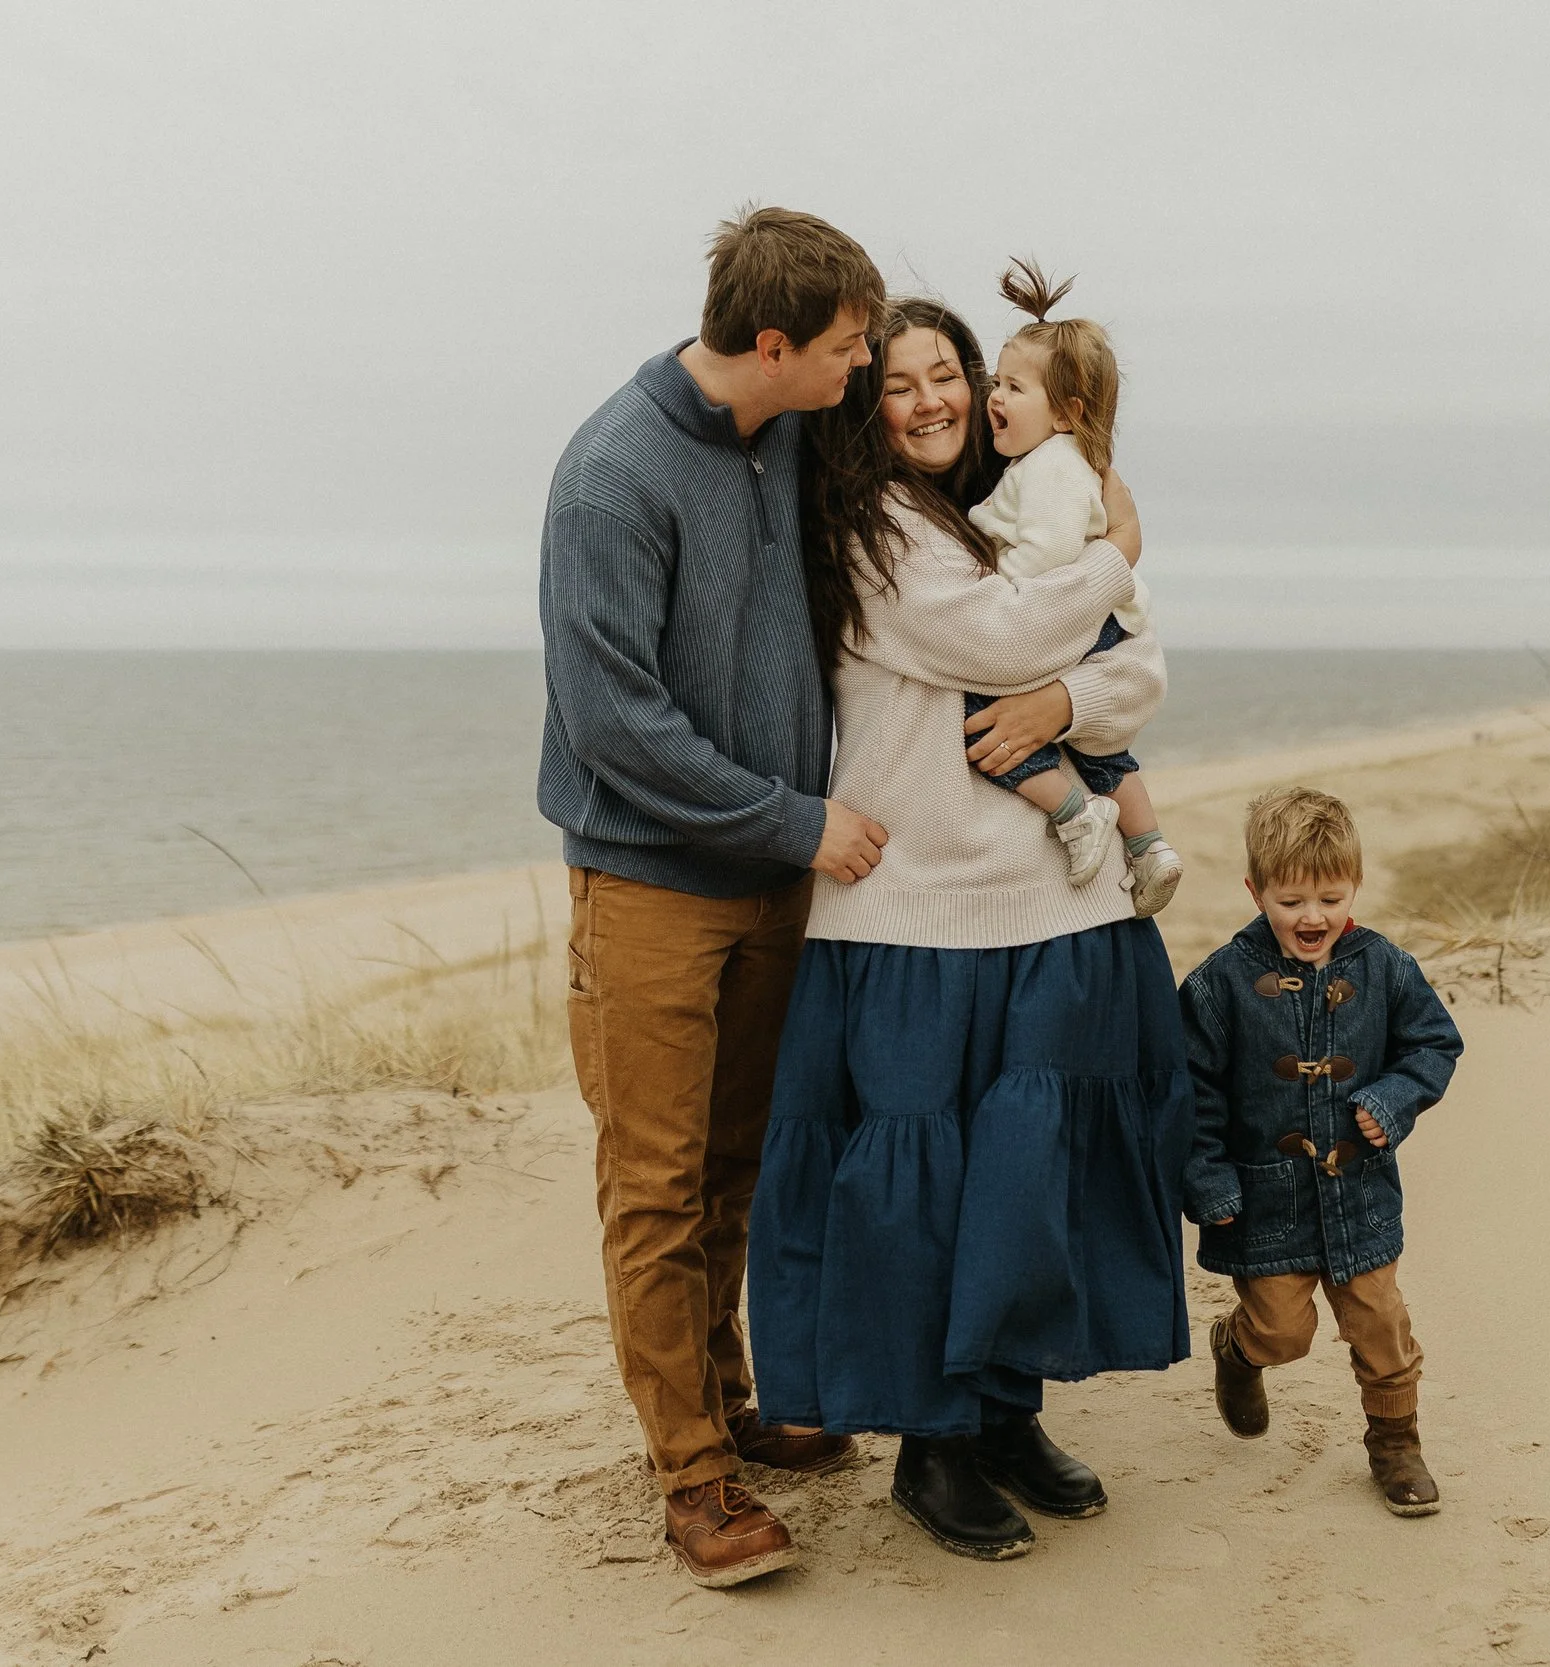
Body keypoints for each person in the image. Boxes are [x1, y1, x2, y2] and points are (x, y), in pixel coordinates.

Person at [747, 297, 1192, 1562]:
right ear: (864, 404)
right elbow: (985, 633)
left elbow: (1136, 673)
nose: (936, 399)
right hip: (912, 908)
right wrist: (1114, 556)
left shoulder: (1017, 512)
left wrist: (1061, 686)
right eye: (902, 382)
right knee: (921, 1194)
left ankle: (1004, 1412)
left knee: (1025, 1183)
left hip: (1054, 903)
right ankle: (930, 1448)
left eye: (953, 375)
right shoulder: (870, 525)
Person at [538, 207, 896, 1590]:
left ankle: (729, 1398)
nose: (861, 368)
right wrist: (798, 820)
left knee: (737, 1166)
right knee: (654, 1184)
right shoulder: (610, 479)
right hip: (650, 889)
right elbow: (612, 720)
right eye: (849, 348)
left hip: (774, 887)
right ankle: (691, 1474)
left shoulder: (787, 433)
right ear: (771, 344)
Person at [1179, 787, 1465, 1516]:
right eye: (1292, 899)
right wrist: (1207, 1181)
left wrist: (1391, 1100)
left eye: (1331, 897)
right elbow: (1192, 1094)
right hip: (1266, 1200)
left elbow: (1435, 1042)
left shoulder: (1384, 967)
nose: (1313, 917)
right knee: (1283, 1332)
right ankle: (1237, 1351)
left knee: (1381, 1322)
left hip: (1360, 1192)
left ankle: (1396, 1442)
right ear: (1256, 891)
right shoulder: (1220, 984)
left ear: (1354, 888)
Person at [959, 259, 1184, 915]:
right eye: (996, 382)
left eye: (1015, 387)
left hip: (1075, 618)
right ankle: (1148, 844)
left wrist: (999, 588)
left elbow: (1049, 553)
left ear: (1066, 413)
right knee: (1104, 745)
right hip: (1100, 620)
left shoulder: (1053, 467)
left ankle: (1073, 809)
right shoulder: (1052, 460)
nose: (994, 397)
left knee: (981, 719)